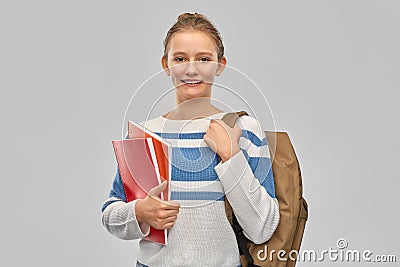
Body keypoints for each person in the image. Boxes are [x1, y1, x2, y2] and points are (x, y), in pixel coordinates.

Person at [101, 12, 280, 267]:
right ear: (166, 65)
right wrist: (140, 212)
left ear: (220, 64)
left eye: (204, 59)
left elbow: (263, 228)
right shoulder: (145, 135)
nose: (192, 68)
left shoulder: (243, 129)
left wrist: (231, 156)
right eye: (180, 58)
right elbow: (110, 215)